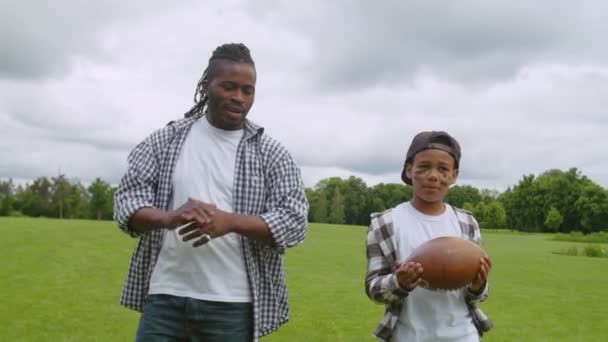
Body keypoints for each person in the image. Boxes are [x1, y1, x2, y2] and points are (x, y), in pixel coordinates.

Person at [113, 43, 308, 341]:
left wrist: (229, 222)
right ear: (206, 87)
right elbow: (127, 203)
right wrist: (168, 218)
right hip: (166, 296)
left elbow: (294, 222)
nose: (238, 98)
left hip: (233, 304)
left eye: (247, 90)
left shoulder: (271, 154)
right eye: (228, 87)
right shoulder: (165, 140)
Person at [364, 131, 493, 342]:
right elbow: (373, 288)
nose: (433, 175)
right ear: (409, 170)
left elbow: (480, 291)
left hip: (463, 336)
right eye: (424, 167)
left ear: (454, 175)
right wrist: (399, 282)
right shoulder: (384, 223)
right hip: (407, 336)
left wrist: (478, 286)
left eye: (443, 169)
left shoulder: (468, 224)